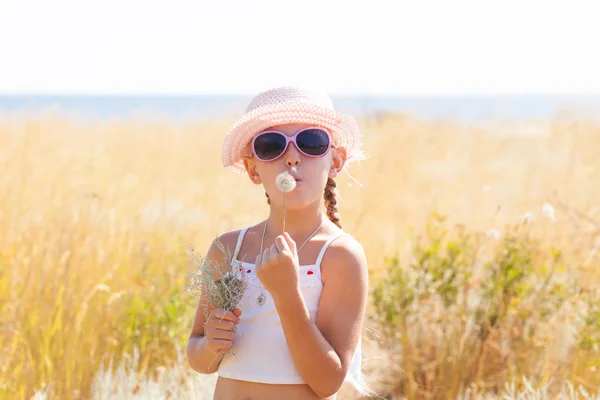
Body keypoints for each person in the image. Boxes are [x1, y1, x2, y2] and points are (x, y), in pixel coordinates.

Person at [186, 86, 371, 399]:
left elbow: (327, 382)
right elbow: (199, 357)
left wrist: (287, 295)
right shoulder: (227, 249)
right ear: (252, 168)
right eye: (271, 146)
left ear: (336, 161)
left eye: (311, 142)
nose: (292, 158)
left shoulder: (340, 256)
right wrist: (211, 344)